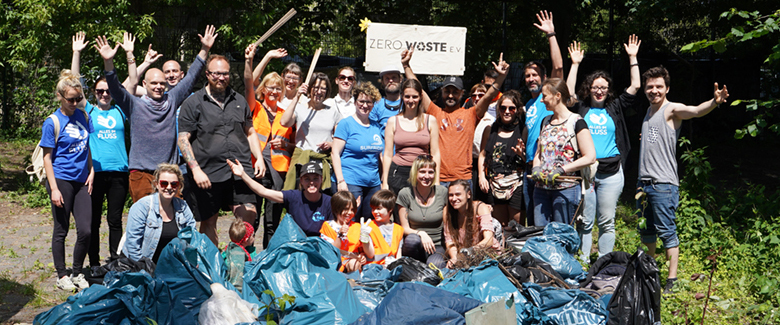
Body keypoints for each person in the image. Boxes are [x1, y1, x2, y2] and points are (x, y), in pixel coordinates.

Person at [95, 26, 216, 203]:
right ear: (144, 83)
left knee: (172, 221)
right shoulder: (134, 104)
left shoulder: (172, 99)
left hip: (170, 173)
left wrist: (205, 49)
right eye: (154, 84)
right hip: (142, 173)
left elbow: (191, 77)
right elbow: (115, 87)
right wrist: (108, 62)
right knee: (145, 221)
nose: (159, 86)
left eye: (161, 83)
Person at [636, 66, 728, 294]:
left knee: (667, 232)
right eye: (650, 87)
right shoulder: (648, 113)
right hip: (643, 185)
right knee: (647, 232)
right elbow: (654, 138)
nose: (654, 90)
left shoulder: (671, 110)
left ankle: (672, 280)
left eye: (659, 86)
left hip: (663, 185)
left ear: (667, 88)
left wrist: (714, 102)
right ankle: (651, 274)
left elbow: (695, 111)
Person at [566, 35, 641, 262]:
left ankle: (604, 263)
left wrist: (633, 57)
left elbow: (636, 85)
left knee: (607, 220)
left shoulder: (615, 107)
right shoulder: (580, 108)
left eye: (603, 87)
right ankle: (584, 260)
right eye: (595, 87)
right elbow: (568, 92)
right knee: (586, 220)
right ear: (589, 89)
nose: (599, 91)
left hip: (611, 172)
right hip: (587, 174)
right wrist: (575, 64)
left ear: (608, 90)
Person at [178, 54, 264, 246]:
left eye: (225, 73)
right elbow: (183, 138)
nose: (221, 77)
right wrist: (195, 169)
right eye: (216, 73)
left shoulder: (239, 100)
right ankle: (212, 265)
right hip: (208, 173)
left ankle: (239, 260)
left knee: (249, 214)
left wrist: (259, 158)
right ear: (207, 74)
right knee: (209, 221)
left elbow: (250, 131)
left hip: (241, 168)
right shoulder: (193, 103)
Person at [403, 51, 508, 188]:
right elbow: (419, 90)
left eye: (455, 92)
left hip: (463, 179)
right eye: (447, 91)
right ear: (442, 92)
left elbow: (488, 96)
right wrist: (406, 65)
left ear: (462, 94)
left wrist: (501, 76)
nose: (451, 95)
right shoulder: (435, 112)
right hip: (438, 179)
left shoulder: (471, 114)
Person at [68, 32, 128, 267]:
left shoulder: (121, 109)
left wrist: (130, 57)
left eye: (108, 90)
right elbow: (74, 85)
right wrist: (77, 53)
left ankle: (115, 261)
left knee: (115, 220)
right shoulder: (88, 111)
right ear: (93, 94)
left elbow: (131, 83)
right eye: (100, 91)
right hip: (94, 173)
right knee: (92, 221)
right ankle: (93, 263)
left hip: (119, 172)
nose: (104, 94)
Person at [41, 68, 94, 291]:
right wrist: (54, 188)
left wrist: (91, 171)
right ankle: (62, 275)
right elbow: (47, 158)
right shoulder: (52, 122)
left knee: (86, 229)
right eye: (70, 99)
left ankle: (77, 271)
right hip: (61, 179)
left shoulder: (83, 116)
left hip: (82, 181)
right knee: (61, 229)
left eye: (78, 98)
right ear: (60, 97)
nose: (74, 103)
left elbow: (87, 146)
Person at [244, 44, 295, 248]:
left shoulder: (287, 115)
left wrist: (285, 144)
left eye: (278, 88)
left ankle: (269, 258)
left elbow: (293, 146)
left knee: (272, 220)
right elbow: (249, 81)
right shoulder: (254, 108)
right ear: (262, 89)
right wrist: (266, 57)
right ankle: (247, 256)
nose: (274, 91)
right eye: (270, 87)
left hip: (279, 172)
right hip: (257, 167)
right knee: (252, 218)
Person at [531, 78, 596, 226]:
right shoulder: (545, 121)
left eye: (545, 96)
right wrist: (536, 168)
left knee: (562, 235)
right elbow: (539, 153)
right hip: (541, 190)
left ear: (557, 96)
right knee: (540, 235)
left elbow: (590, 157)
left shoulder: (576, 121)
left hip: (565, 189)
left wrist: (561, 170)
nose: (542, 101)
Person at [523, 11, 565, 225]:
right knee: (533, 220)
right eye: (527, 76)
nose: (531, 79)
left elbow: (558, 67)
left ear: (545, 77)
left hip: (550, 166)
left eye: (535, 75)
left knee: (552, 221)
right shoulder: (528, 104)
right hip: (530, 166)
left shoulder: (548, 97)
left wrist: (551, 35)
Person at [228, 159, 333, 237]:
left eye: (315, 178)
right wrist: (242, 175)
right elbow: (263, 191)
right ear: (301, 180)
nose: (311, 182)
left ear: (321, 179)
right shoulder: (293, 197)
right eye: (307, 179)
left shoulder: (329, 202)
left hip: (320, 246)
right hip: (296, 245)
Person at [280, 72, 342, 192]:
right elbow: (284, 122)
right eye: (316, 88)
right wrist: (297, 96)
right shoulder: (300, 108)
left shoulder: (333, 112)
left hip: (323, 163)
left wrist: (331, 144)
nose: (319, 92)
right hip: (302, 162)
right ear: (309, 89)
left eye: (323, 88)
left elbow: (340, 140)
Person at [332, 82, 384, 219]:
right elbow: (335, 153)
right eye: (361, 101)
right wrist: (340, 180)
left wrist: (383, 180)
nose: (365, 105)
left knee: (369, 223)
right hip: (351, 181)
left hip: (373, 183)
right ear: (355, 102)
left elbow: (380, 156)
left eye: (369, 102)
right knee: (350, 219)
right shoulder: (346, 124)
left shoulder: (376, 126)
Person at [124, 163, 196, 263]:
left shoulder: (182, 206)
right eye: (164, 183)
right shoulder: (142, 207)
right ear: (156, 184)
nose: (169, 187)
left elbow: (193, 238)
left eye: (174, 184)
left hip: (173, 265)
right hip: (144, 264)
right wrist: (144, 269)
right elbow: (133, 245)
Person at [381, 79, 440, 196]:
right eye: (407, 96)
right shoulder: (393, 121)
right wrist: (385, 183)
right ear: (402, 96)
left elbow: (435, 153)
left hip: (423, 173)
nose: (411, 100)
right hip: (398, 172)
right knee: (399, 211)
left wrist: (436, 180)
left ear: (420, 97)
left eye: (414, 97)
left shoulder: (430, 120)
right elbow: (387, 154)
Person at [478, 90, 528, 227]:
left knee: (516, 225)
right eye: (503, 108)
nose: (507, 111)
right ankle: (501, 249)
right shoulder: (490, 129)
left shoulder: (523, 130)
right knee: (499, 225)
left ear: (517, 110)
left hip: (515, 182)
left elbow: (527, 160)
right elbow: (482, 154)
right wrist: (481, 177)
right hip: (494, 184)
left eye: (511, 108)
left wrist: (521, 155)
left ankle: (515, 249)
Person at [396, 156, 448, 268]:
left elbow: (448, 223)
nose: (427, 176)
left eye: (431, 172)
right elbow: (404, 228)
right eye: (422, 172)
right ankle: (413, 268)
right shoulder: (405, 194)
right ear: (415, 172)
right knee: (411, 240)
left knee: (435, 266)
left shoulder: (442, 192)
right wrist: (421, 233)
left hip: (437, 245)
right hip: (416, 245)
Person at [443, 180, 503, 268]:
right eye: (451, 195)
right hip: (462, 256)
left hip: (485, 253)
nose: (454, 199)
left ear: (468, 194)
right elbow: (449, 240)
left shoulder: (480, 208)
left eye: (458, 194)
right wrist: (454, 258)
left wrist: (469, 251)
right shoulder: (447, 211)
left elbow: (489, 240)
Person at [319, 191, 363, 272]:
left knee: (354, 264)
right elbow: (331, 250)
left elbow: (362, 249)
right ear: (336, 209)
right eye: (346, 209)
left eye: (352, 209)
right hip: (334, 263)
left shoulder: (357, 226)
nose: (349, 213)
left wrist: (362, 256)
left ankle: (353, 282)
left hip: (352, 262)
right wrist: (340, 234)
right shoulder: (328, 226)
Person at [224, 218, 256, 291]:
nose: (254, 237)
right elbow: (237, 281)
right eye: (253, 235)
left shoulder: (229, 249)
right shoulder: (239, 257)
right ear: (246, 239)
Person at [369, 66, 404, 131]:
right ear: (382, 82)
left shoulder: (408, 102)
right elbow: (372, 131)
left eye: (394, 77)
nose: (390, 81)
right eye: (387, 78)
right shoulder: (376, 106)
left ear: (400, 79)